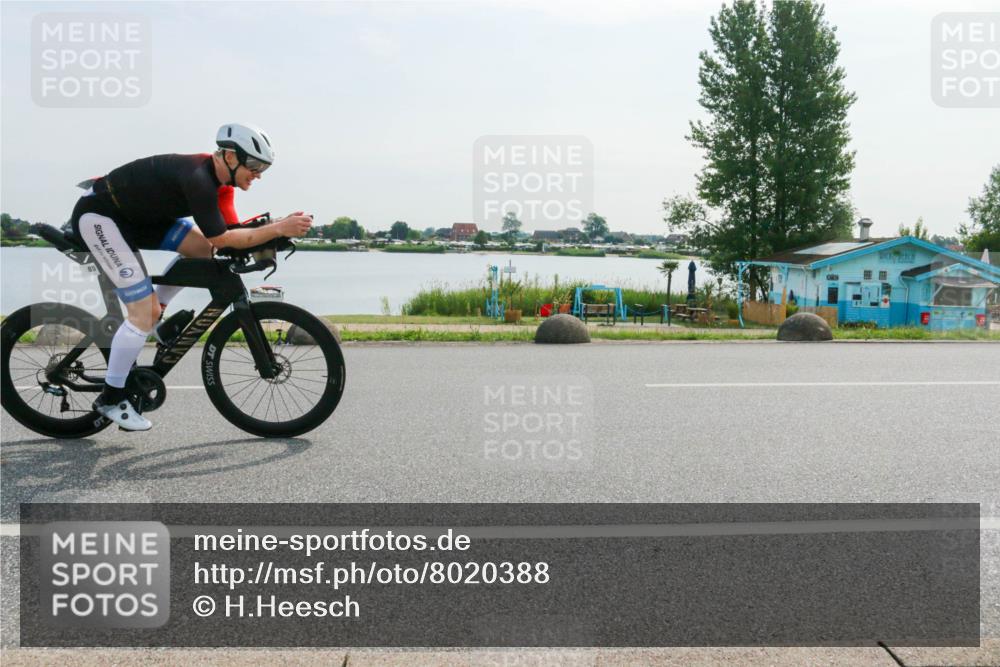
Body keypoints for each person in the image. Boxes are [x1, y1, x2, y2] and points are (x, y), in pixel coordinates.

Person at [69, 123, 313, 431]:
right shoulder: (198, 179)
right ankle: (111, 397)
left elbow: (227, 234)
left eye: (263, 166)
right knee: (141, 313)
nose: (258, 173)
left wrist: (275, 228)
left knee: (200, 247)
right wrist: (277, 229)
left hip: (137, 219)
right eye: (253, 164)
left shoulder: (222, 186)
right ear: (228, 156)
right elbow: (225, 239)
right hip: (101, 217)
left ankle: (155, 318)